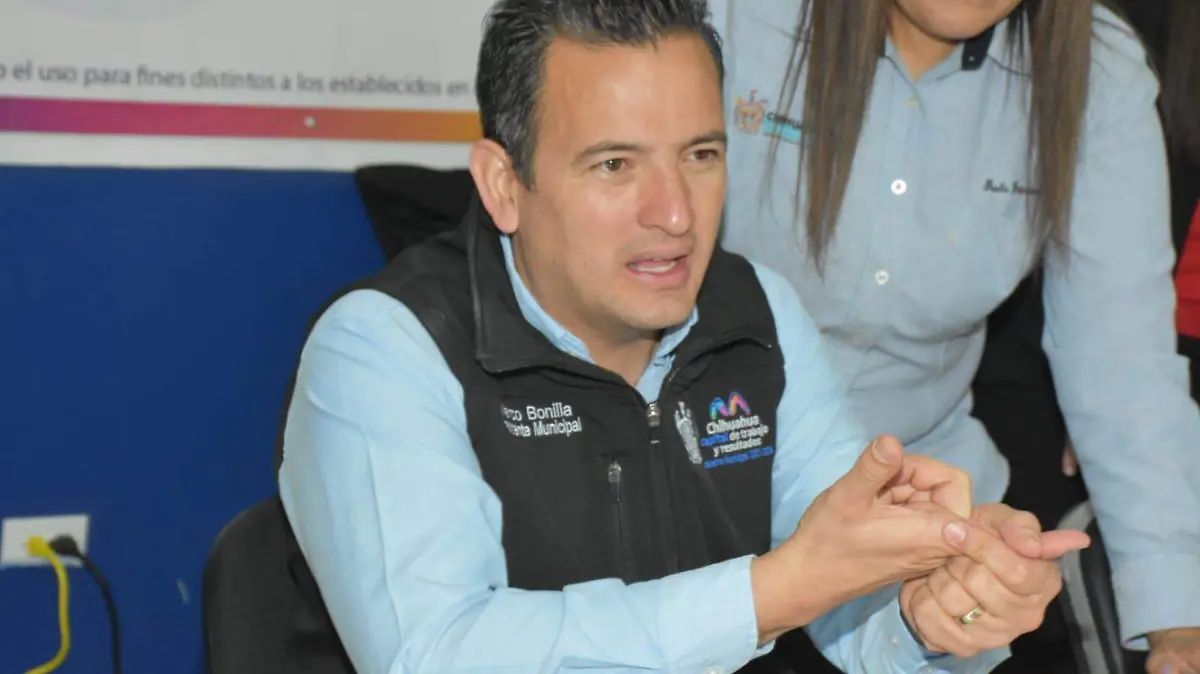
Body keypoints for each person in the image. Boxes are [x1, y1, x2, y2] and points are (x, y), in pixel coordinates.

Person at [277, 1, 1083, 672]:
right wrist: (775, 591)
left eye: (700, 154)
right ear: (503, 184)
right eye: (614, 165)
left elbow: (854, 609)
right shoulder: (386, 347)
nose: (674, 213)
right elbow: (434, 654)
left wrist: (934, 605)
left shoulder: (757, 312)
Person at [714, 0, 1200, 671]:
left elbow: (1122, 362)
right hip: (695, 476)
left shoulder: (1094, 68)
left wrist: (1179, 623)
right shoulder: (734, 17)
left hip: (923, 518)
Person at [971, 0, 1200, 670]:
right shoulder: (1106, 46)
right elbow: (1114, 344)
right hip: (1069, 347)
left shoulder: (1105, 59)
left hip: (1130, 352)